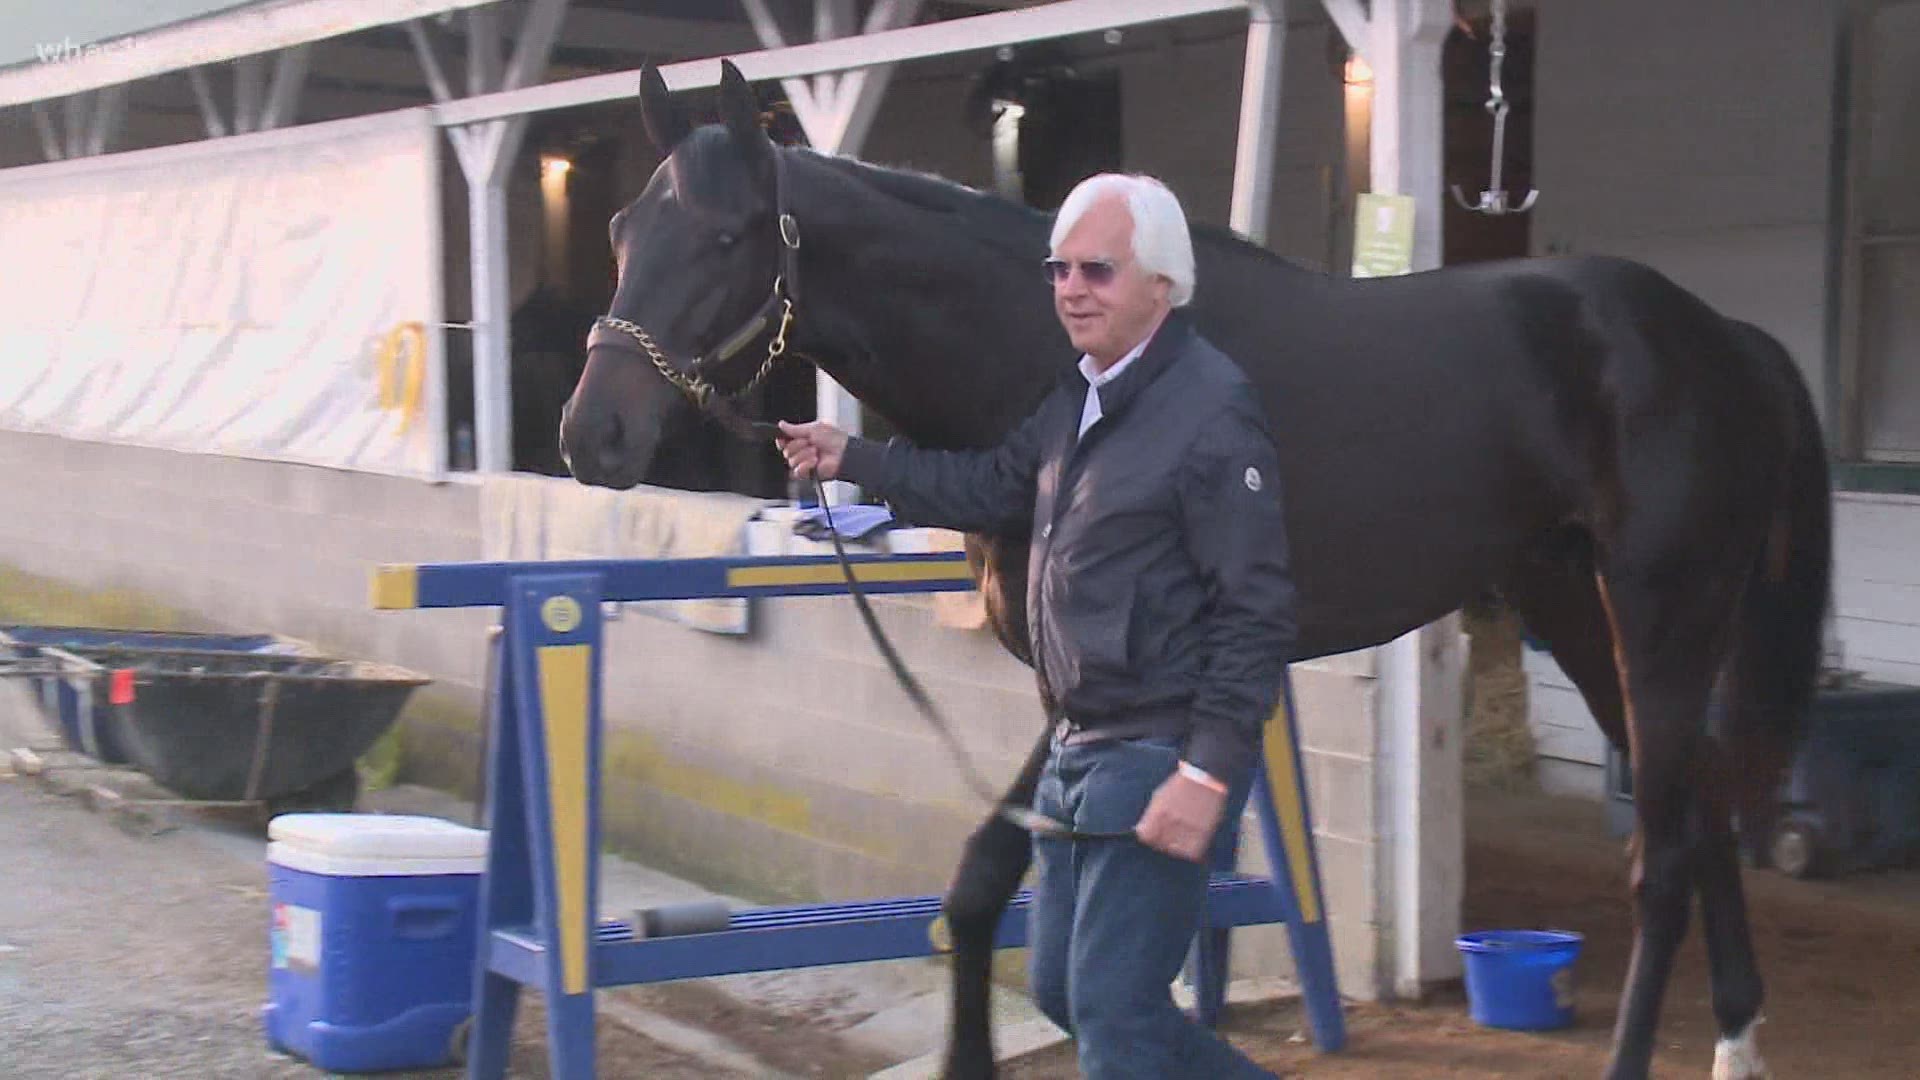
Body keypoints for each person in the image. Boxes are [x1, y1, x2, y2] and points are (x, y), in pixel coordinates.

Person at [777, 173, 1295, 1079]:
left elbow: (1255, 609)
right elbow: (987, 490)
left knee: (1114, 1018)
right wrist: (851, 456)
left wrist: (1208, 772)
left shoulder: (1213, 412)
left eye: (1096, 270)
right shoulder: (1077, 402)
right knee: (1064, 991)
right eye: (1059, 269)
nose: (1069, 288)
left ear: (1161, 285)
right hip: (1076, 749)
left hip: (1157, 753)